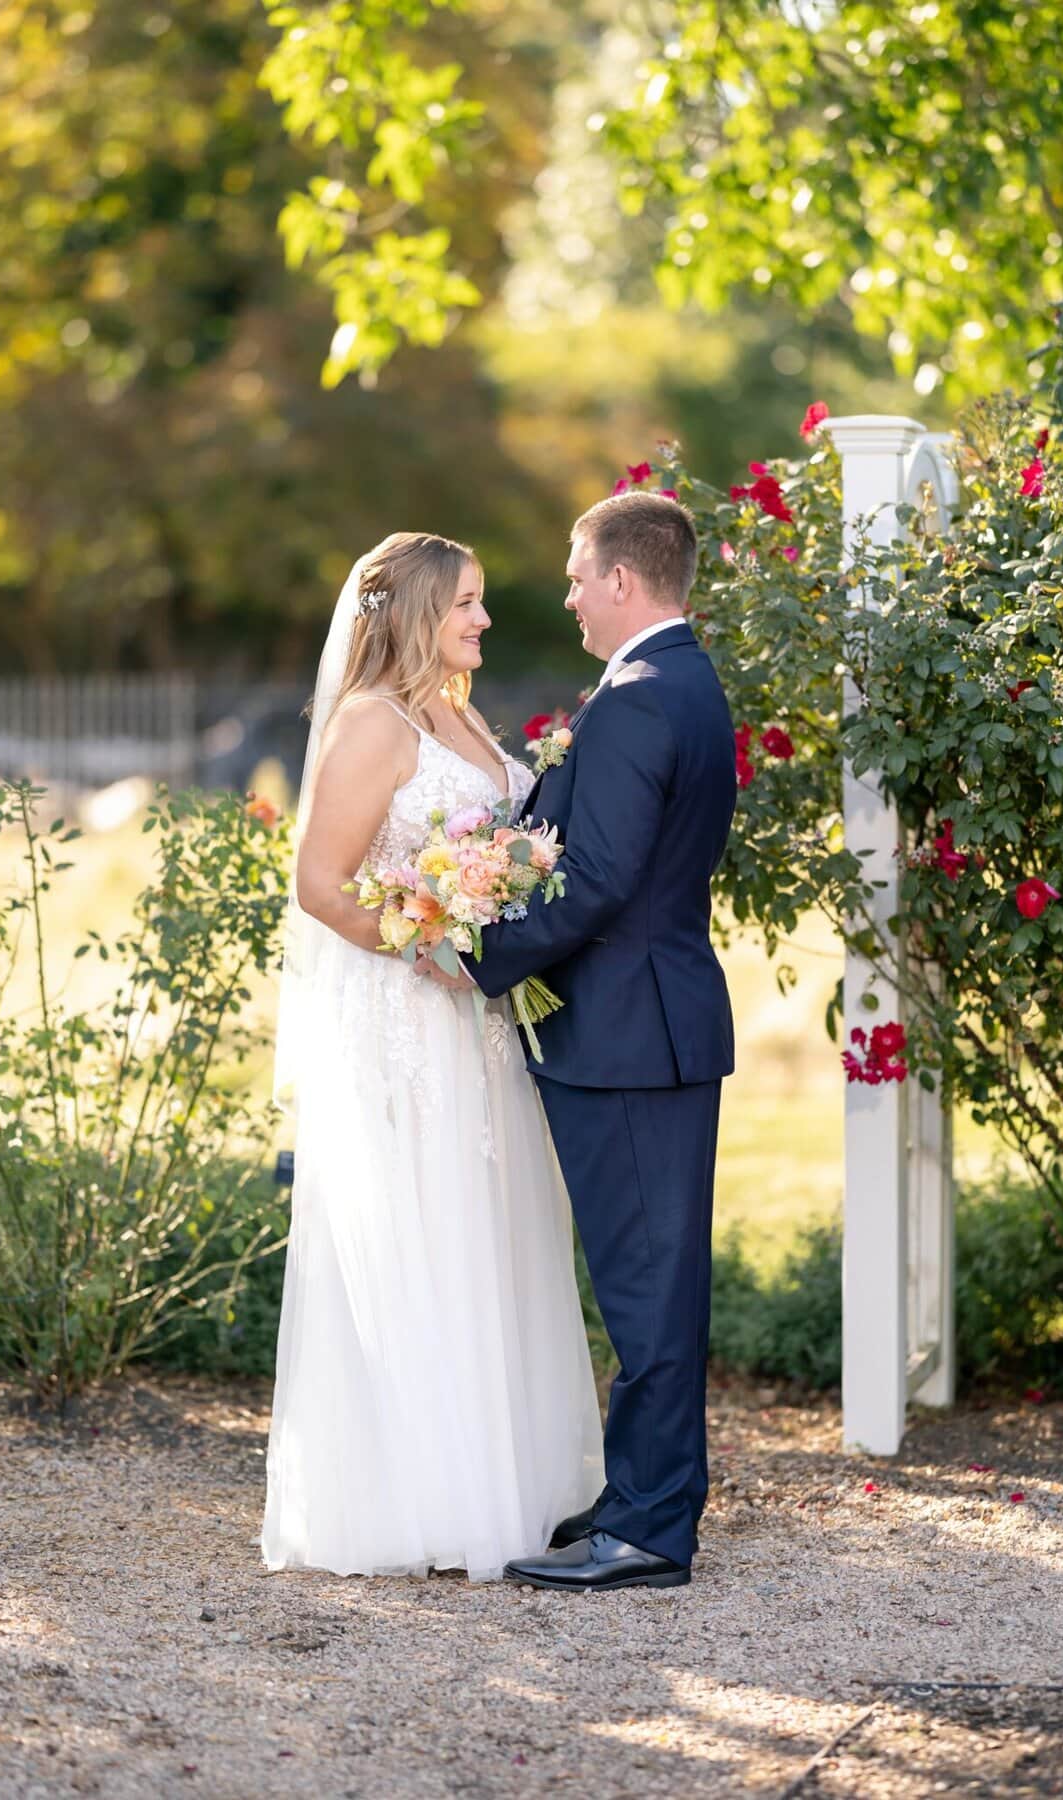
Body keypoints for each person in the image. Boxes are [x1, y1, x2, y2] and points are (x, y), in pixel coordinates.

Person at [261, 531, 603, 1581]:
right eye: (467, 602)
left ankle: (519, 1486)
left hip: (483, 1025)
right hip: (409, 1018)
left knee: (493, 1233)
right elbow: (323, 886)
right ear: (412, 611)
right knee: (422, 1232)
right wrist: (430, 947)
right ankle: (421, 1501)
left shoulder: (457, 712)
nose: (485, 620)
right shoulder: (371, 724)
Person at [420, 491, 737, 1591]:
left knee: (646, 1288)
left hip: (628, 1037)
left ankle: (647, 1531)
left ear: (621, 580)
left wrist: (478, 957)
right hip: (647, 1028)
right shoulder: (678, 684)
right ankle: (643, 1498)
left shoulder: (641, 699)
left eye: (572, 574)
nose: (562, 596)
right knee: (650, 1281)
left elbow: (596, 880)